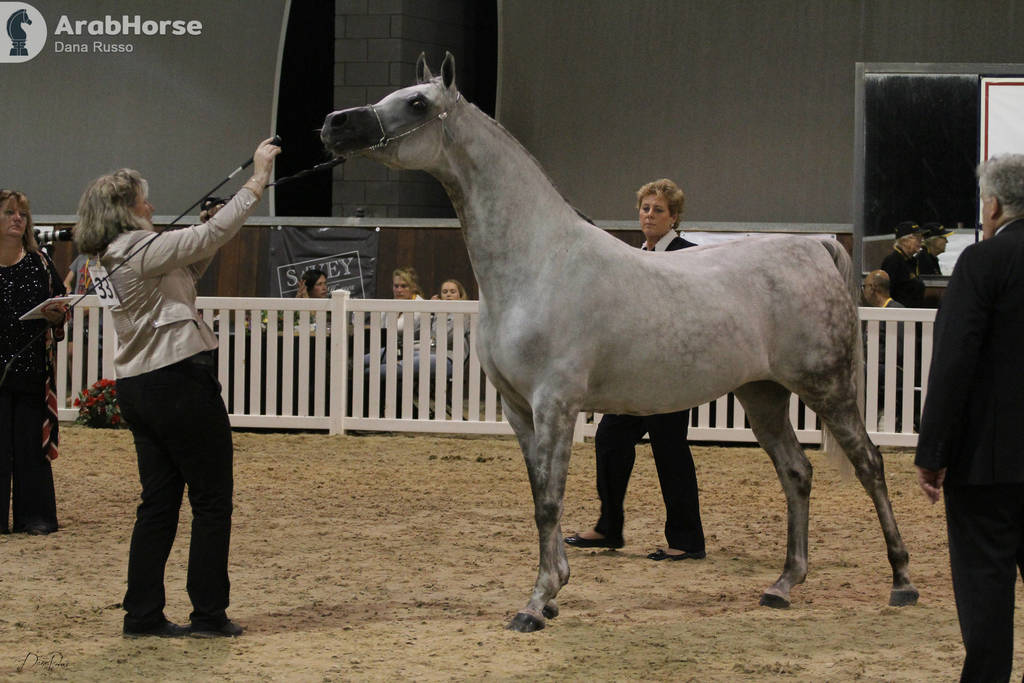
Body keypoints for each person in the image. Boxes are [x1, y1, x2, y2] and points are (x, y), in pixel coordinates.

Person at [73, 137, 280, 639]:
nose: (152, 205)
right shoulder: (139, 247)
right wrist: (257, 180)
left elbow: (187, 267)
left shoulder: (105, 259)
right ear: (126, 208)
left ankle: (142, 614)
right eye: (144, 199)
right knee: (212, 500)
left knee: (159, 503)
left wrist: (208, 233)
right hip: (179, 380)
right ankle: (208, 613)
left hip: (138, 386)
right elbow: (205, 239)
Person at [915, 154, 1024, 681]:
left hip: (989, 462)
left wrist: (933, 455)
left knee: (986, 594)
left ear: (995, 204)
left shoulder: (982, 263)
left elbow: (954, 363)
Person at [565, 178, 706, 561]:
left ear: (673, 217)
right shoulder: (632, 255)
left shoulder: (687, 255)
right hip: (635, 373)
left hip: (671, 371)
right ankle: (609, 526)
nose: (649, 215)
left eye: (658, 210)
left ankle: (687, 541)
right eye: (645, 208)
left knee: (669, 448)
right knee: (610, 438)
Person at [0, 189, 66, 536]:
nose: (17, 219)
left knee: (30, 447)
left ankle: (35, 517)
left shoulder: (40, 262)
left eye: (22, 214)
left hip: (30, 370)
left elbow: (59, 307)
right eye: (9, 212)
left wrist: (56, 318)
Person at [880, 221, 925, 307]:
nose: (921, 241)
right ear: (904, 241)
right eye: (917, 238)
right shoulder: (892, 261)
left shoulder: (912, 261)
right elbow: (887, 293)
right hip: (898, 316)